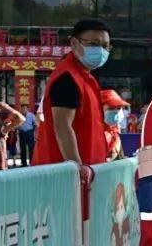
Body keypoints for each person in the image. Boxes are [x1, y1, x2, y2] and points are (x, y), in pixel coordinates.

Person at [33, 18, 113, 187]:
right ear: (74, 43)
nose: (101, 50)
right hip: (68, 178)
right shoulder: (67, 78)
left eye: (105, 46)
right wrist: (77, 169)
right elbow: (62, 126)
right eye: (94, 43)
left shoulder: (86, 78)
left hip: (88, 171)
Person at [100, 89, 130, 161]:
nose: (116, 111)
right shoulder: (92, 133)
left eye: (119, 108)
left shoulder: (115, 130)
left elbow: (119, 157)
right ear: (99, 109)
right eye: (111, 108)